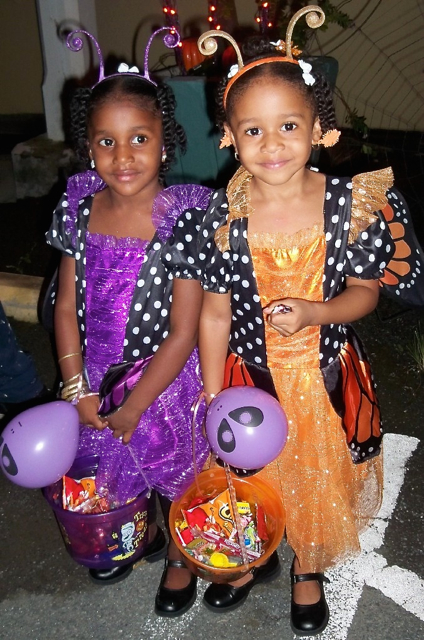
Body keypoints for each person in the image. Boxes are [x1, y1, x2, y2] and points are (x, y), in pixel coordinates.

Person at [177, 14, 423, 636]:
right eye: (253, 130)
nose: (273, 143)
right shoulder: (222, 218)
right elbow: (213, 310)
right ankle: (253, 550)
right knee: (253, 473)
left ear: (319, 129)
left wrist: (318, 311)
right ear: (229, 136)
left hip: (324, 377)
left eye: (289, 126)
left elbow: (366, 293)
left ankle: (307, 566)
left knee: (317, 478)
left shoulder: (349, 204)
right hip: (249, 375)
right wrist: (212, 392)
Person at [45, 29, 211, 618]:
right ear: (89, 149)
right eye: (106, 142)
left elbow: (184, 332)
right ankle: (131, 529)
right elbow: (66, 307)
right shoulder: (81, 207)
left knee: (178, 470)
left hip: (162, 379)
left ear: (165, 141)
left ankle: (181, 553)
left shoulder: (182, 218)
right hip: (95, 373)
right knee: (109, 462)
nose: (123, 158)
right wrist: (77, 386)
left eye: (139, 138)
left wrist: (135, 405)